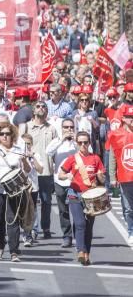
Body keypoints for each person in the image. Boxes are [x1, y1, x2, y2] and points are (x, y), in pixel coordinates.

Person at [0, 121, 31, 262]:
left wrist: (26, 161)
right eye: (2, 134)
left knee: (12, 219)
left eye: (8, 134)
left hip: (14, 190)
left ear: (12, 135)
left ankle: (14, 251)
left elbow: (27, 171)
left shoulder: (18, 150)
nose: (5, 136)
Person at [58, 131, 105, 265]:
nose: (83, 145)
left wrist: (100, 176)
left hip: (91, 196)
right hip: (75, 194)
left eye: (85, 142)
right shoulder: (72, 158)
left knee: (89, 227)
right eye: (80, 143)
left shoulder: (96, 158)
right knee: (80, 223)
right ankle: (80, 250)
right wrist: (67, 176)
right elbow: (60, 174)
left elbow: (102, 178)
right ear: (76, 144)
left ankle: (87, 254)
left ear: (89, 143)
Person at [21, 101, 57, 239]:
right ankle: (32, 229)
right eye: (38, 106)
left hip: (46, 170)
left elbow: (55, 150)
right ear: (33, 110)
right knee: (31, 202)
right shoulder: (27, 127)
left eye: (44, 107)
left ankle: (46, 227)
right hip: (31, 171)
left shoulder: (52, 129)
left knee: (46, 201)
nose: (41, 108)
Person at [46, 118, 77, 247]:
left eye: (71, 127)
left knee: (77, 210)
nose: (69, 130)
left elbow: (90, 152)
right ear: (62, 128)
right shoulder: (57, 141)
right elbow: (48, 152)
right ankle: (67, 236)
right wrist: (61, 139)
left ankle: (78, 235)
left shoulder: (79, 142)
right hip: (60, 180)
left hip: (75, 181)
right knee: (63, 210)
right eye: (66, 127)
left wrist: (76, 141)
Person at [108, 104, 133, 244]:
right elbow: (112, 157)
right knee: (128, 207)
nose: (132, 120)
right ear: (124, 118)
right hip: (125, 177)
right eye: (130, 117)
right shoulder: (116, 134)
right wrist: (112, 177)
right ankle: (131, 230)